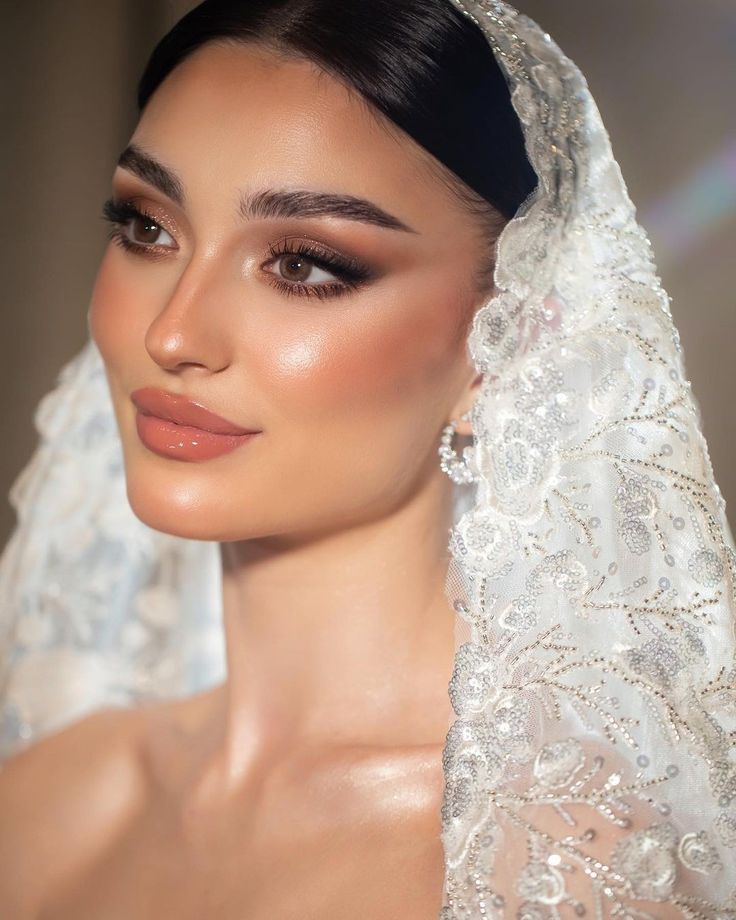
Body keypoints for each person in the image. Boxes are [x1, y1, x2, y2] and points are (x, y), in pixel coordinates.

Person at [0, 0, 734, 916]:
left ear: (506, 339)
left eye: (305, 263)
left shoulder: (564, 872)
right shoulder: (46, 805)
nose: (172, 331)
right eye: (149, 227)